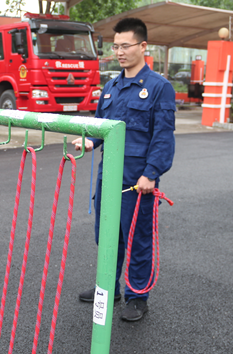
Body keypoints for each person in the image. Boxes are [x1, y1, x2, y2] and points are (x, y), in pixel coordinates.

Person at [72, 18, 176, 322]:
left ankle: (137, 296)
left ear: (143, 46)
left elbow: (162, 137)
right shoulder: (112, 86)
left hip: (137, 180)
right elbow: (100, 127)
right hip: (109, 177)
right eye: (115, 46)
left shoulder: (159, 88)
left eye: (125, 45)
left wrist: (151, 173)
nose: (119, 51)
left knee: (137, 239)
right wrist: (89, 141)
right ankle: (108, 288)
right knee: (107, 236)